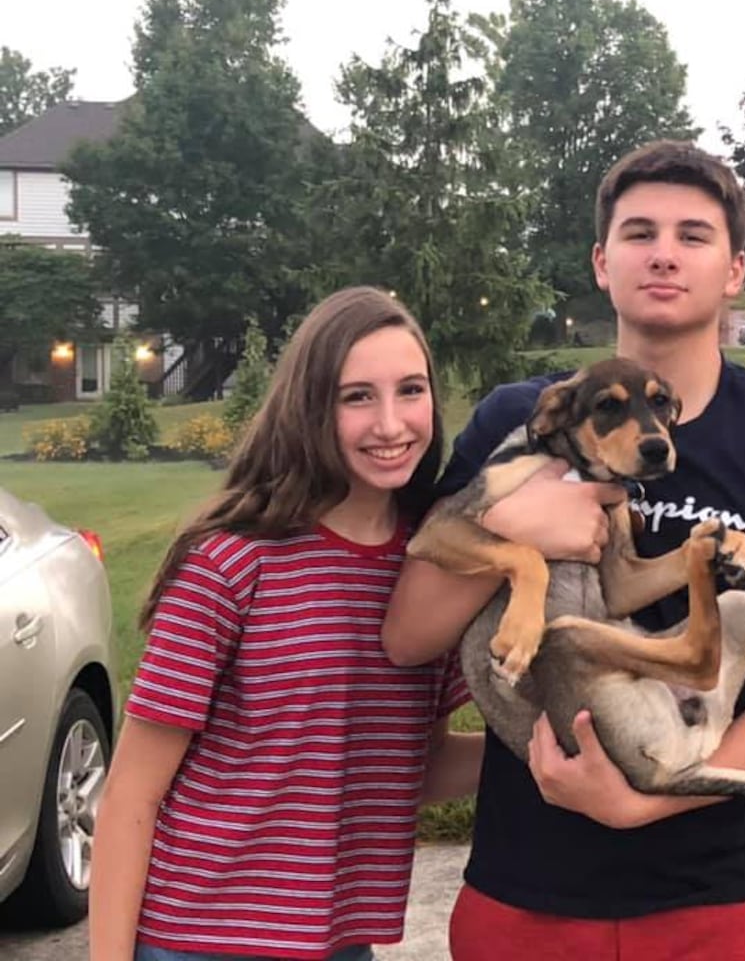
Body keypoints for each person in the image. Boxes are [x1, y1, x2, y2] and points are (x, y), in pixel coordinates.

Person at [380, 139, 745, 961]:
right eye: (638, 232)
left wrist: (645, 801)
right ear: (601, 261)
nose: (662, 253)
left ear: (732, 271)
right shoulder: (518, 423)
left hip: (722, 900)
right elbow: (408, 634)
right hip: (527, 894)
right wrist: (520, 532)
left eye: (692, 235)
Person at [89, 287, 477, 961]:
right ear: (309, 407)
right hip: (198, 938)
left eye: (410, 390)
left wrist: (554, 743)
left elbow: (421, 763)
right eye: (356, 396)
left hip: (338, 942)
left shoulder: (433, 569)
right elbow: (130, 797)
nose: (391, 423)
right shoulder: (232, 563)